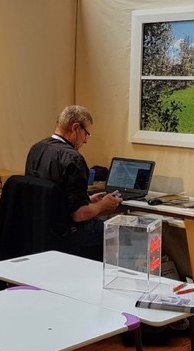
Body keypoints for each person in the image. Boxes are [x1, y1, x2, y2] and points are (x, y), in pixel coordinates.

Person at [26, 105, 122, 259]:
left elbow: (52, 197)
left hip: (40, 229)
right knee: (117, 233)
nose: (86, 141)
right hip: (68, 233)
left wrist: (88, 200)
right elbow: (79, 215)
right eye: (87, 134)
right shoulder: (73, 159)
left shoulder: (36, 149)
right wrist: (102, 205)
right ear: (76, 128)